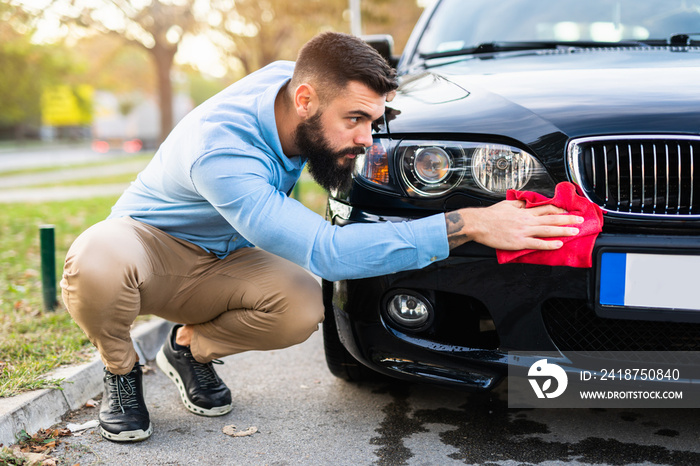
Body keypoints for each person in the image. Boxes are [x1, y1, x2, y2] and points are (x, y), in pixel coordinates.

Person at [60, 32, 582, 442]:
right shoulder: (222, 150)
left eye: (375, 120)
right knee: (96, 259)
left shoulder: (294, 85)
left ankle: (188, 349)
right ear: (304, 99)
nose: (366, 138)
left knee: (301, 306)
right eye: (355, 120)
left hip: (226, 255)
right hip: (149, 247)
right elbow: (326, 252)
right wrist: (469, 222)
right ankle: (121, 369)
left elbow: (340, 74)